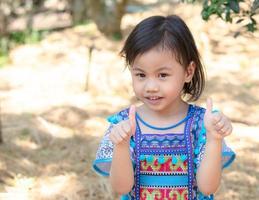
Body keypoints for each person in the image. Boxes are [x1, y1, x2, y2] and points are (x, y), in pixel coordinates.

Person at [92, 15, 235, 200]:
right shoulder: (123, 124)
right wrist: (121, 146)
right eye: (141, 75)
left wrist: (214, 140)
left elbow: (207, 188)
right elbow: (121, 187)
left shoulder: (202, 125)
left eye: (162, 75)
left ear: (188, 72)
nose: (151, 86)